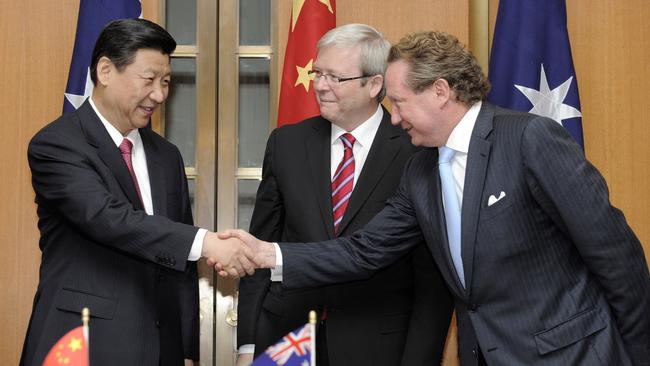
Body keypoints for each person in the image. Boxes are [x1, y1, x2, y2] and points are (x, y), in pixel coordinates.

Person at [219, 31, 650, 365]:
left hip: (570, 355)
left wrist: (637, 354)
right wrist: (269, 253)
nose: (395, 116)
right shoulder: (421, 171)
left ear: (441, 91)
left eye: (401, 102)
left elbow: (616, 255)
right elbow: (364, 250)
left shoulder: (529, 139)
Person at [21, 19, 253, 366]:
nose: (159, 95)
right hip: (82, 342)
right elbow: (107, 218)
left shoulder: (166, 155)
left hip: (162, 349)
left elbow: (181, 265)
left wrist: (187, 349)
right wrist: (208, 242)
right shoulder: (57, 144)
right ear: (105, 70)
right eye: (149, 80)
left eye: (166, 82)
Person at [236, 24, 452, 366]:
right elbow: (261, 249)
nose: (320, 85)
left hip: (377, 347)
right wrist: (247, 346)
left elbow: (432, 280)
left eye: (335, 77)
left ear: (374, 84)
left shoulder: (417, 153)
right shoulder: (286, 144)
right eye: (317, 73)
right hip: (286, 343)